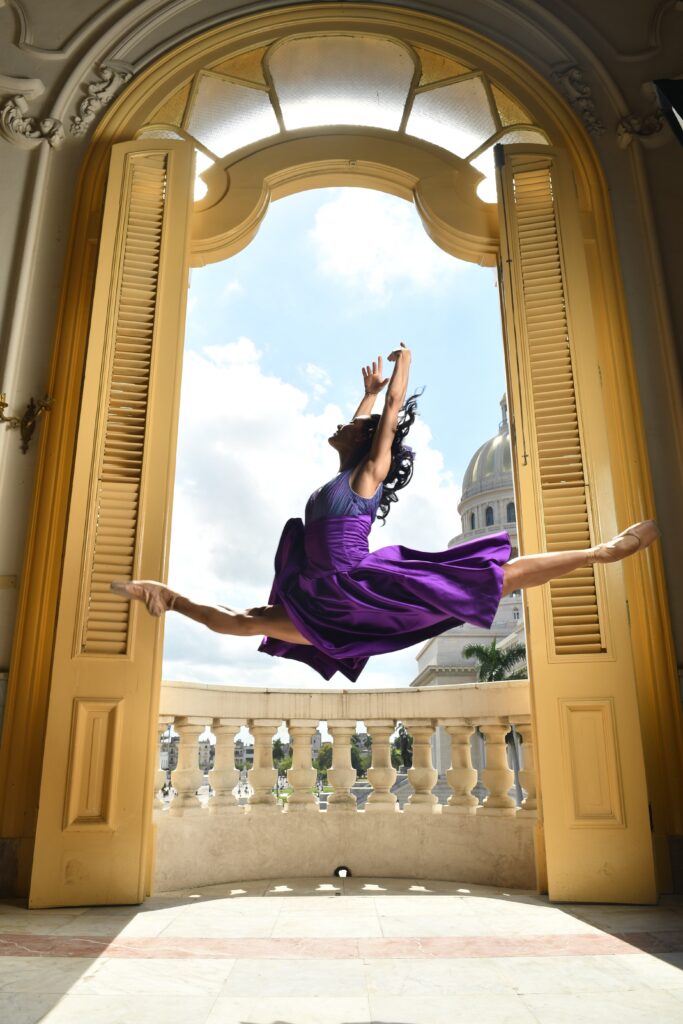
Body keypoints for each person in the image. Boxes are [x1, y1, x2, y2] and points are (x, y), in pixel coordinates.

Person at [111, 343, 659, 682]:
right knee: (242, 623)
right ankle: (168, 596)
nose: (341, 426)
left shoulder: (366, 474)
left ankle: (602, 552)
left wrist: (402, 371)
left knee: (501, 577)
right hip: (321, 595)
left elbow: (388, 420)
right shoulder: (345, 468)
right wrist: (368, 395)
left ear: (369, 444)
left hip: (360, 588)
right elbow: (363, 425)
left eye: (354, 426)